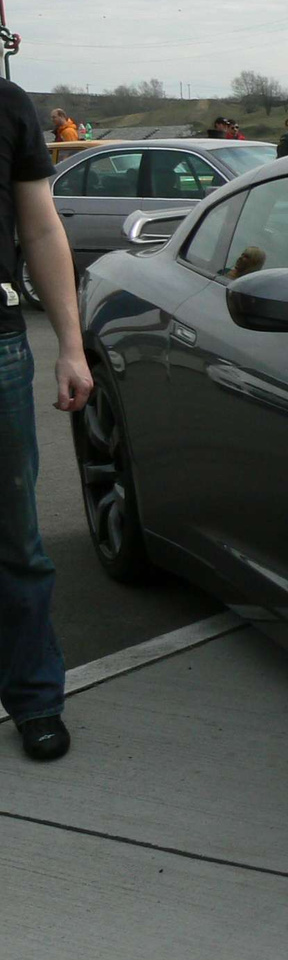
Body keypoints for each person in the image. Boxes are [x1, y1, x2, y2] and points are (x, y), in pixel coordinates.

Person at [2, 75, 94, 761]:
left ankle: (35, 698)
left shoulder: (7, 105)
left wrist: (70, 344)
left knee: (15, 542)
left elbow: (39, 223)